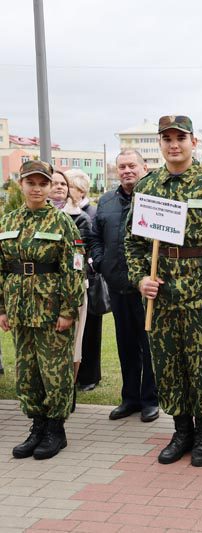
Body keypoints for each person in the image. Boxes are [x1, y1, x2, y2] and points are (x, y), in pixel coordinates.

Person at [125, 115, 202, 467]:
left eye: (180, 137)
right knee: (169, 365)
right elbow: (133, 246)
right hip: (162, 295)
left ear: (193, 142)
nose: (173, 144)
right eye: (167, 138)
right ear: (160, 144)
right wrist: (140, 280)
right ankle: (181, 431)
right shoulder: (148, 187)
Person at [1, 160, 84, 460]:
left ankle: (55, 429)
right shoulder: (8, 222)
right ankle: (36, 426)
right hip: (19, 310)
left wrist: (68, 311)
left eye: (42, 183)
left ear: (50, 186)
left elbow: (74, 269)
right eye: (30, 182)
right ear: (21, 184)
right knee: (27, 371)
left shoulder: (62, 222)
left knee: (55, 371)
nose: (36, 188)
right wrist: (2, 308)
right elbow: (1, 267)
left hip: (51, 311)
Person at [90, 149, 158, 423]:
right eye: (122, 167)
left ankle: (150, 399)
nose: (127, 171)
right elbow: (96, 236)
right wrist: (100, 260)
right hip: (118, 284)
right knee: (125, 345)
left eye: (132, 166)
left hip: (147, 290)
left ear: (144, 167)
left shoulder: (156, 200)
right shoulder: (106, 201)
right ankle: (130, 398)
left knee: (148, 345)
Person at [48, 170, 87, 412]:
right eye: (55, 183)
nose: (60, 187)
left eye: (64, 183)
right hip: (40, 293)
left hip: (73, 290)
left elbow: (80, 259)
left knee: (74, 346)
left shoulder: (78, 218)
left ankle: (69, 392)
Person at [64, 169, 102, 393]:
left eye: (69, 187)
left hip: (90, 280)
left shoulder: (89, 214)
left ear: (80, 191)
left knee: (91, 330)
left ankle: (90, 375)